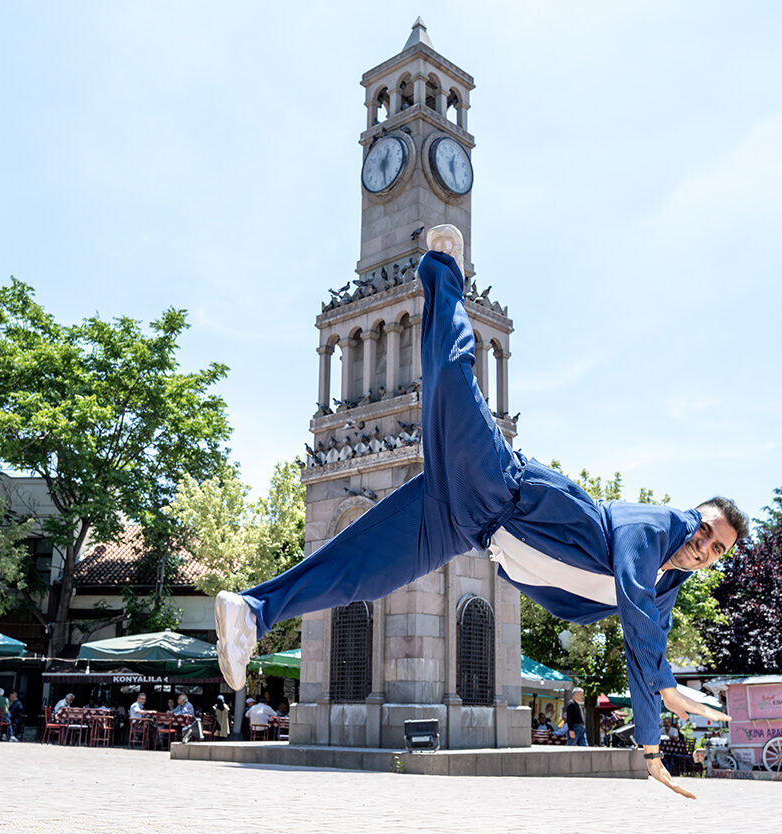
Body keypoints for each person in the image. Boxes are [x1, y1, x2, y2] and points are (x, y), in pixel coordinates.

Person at [214, 225, 744, 799]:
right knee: (451, 378)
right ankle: (444, 266)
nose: (703, 547)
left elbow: (648, 649)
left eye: (717, 549)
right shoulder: (654, 527)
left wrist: (649, 746)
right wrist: (664, 693)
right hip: (500, 487)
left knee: (360, 570)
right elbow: (637, 612)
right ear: (690, 517)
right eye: (704, 530)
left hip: (469, 527)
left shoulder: (663, 593)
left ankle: (251, 610)